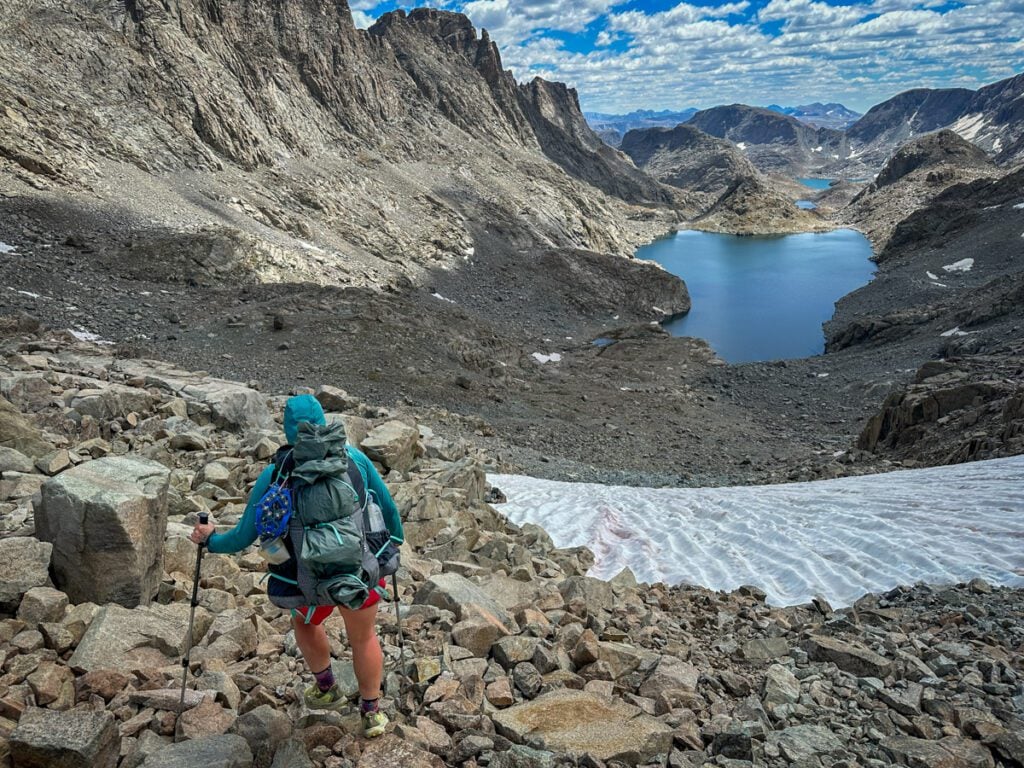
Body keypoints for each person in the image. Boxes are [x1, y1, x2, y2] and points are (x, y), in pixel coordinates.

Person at [190, 394, 403, 738]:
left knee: (304, 626)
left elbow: (244, 535)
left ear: (287, 430)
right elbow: (388, 508)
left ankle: (327, 687)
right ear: (323, 421)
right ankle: (371, 713)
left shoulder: (276, 473)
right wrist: (394, 544)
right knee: (363, 638)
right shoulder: (356, 460)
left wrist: (210, 540)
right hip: (359, 572)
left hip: (307, 580)